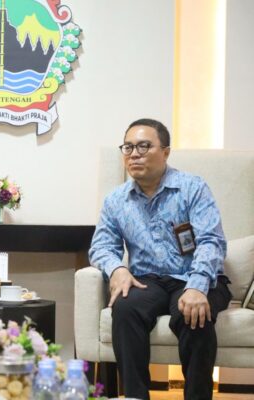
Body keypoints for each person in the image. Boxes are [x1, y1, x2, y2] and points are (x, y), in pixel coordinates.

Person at [89, 118, 232, 400]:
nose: (134, 154)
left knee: (194, 315)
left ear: (165, 152)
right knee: (125, 308)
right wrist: (116, 269)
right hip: (148, 280)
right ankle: (135, 396)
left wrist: (197, 285)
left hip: (195, 275)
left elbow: (211, 241)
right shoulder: (116, 200)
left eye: (144, 146)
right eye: (128, 147)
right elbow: (101, 246)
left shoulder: (192, 188)